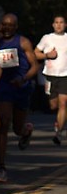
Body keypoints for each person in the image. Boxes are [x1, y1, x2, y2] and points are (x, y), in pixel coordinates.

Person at [0, 13, 39, 183]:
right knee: (3, 124)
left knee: (17, 129)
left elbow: (34, 66)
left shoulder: (23, 42)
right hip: (3, 88)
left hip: (21, 88)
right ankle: (2, 168)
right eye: (4, 24)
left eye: (10, 25)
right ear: (0, 26)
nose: (7, 27)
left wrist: (23, 78)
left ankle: (26, 131)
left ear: (16, 26)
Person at [34, 15, 67, 145]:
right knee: (53, 105)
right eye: (56, 22)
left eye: (61, 22)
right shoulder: (47, 38)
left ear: (65, 25)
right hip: (50, 75)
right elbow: (35, 53)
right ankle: (58, 121)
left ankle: (58, 132)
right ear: (53, 25)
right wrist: (48, 55)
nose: (59, 25)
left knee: (63, 103)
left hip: (65, 75)